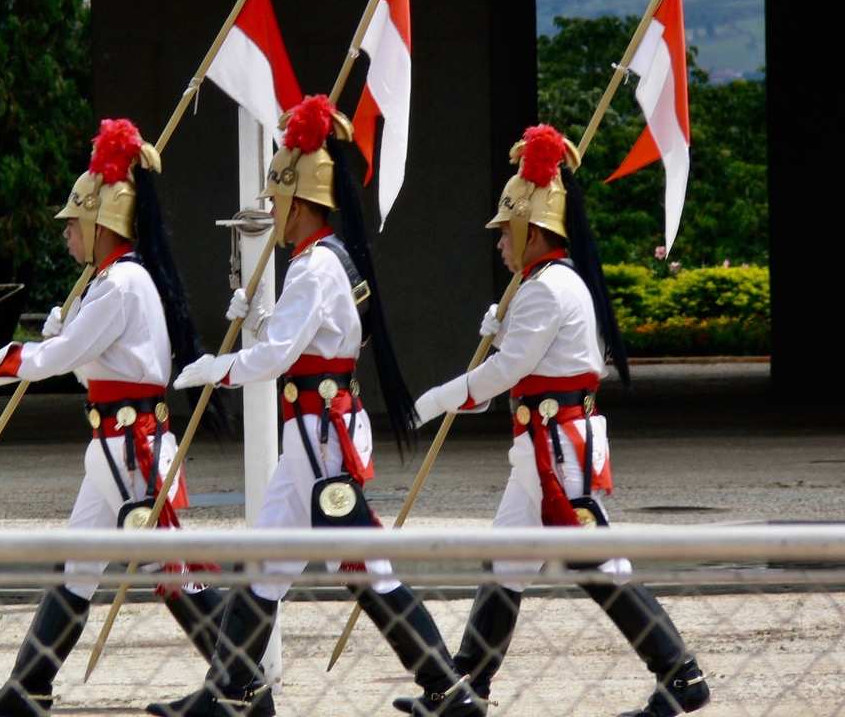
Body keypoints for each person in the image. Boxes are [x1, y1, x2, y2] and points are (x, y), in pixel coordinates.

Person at [147, 96, 478, 717]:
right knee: (268, 562)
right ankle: (237, 690)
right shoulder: (323, 263)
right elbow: (302, 342)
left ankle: (447, 688)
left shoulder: (314, 268)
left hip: (321, 435)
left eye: (277, 200)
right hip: (313, 431)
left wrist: (216, 369)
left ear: (299, 203)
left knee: (364, 567)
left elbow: (275, 359)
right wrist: (258, 324)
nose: (272, 210)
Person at [398, 124, 710, 717]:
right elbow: (512, 374)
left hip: (557, 447)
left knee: (598, 564)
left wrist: (438, 397)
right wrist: (501, 327)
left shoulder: (546, 289)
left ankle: (680, 677)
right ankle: (467, 688)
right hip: (541, 444)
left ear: (532, 230)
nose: (499, 244)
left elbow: (506, 371)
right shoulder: (544, 285)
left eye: (505, 232)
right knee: (508, 560)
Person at [0, 118, 223, 717]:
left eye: (73, 223)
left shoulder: (119, 284)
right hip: (114, 442)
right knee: (79, 564)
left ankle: (241, 682)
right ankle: (30, 687)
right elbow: (91, 365)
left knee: (171, 569)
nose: (67, 233)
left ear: (100, 224)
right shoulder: (115, 282)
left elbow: (62, 359)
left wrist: (3, 361)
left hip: (130, 444)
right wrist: (58, 342)